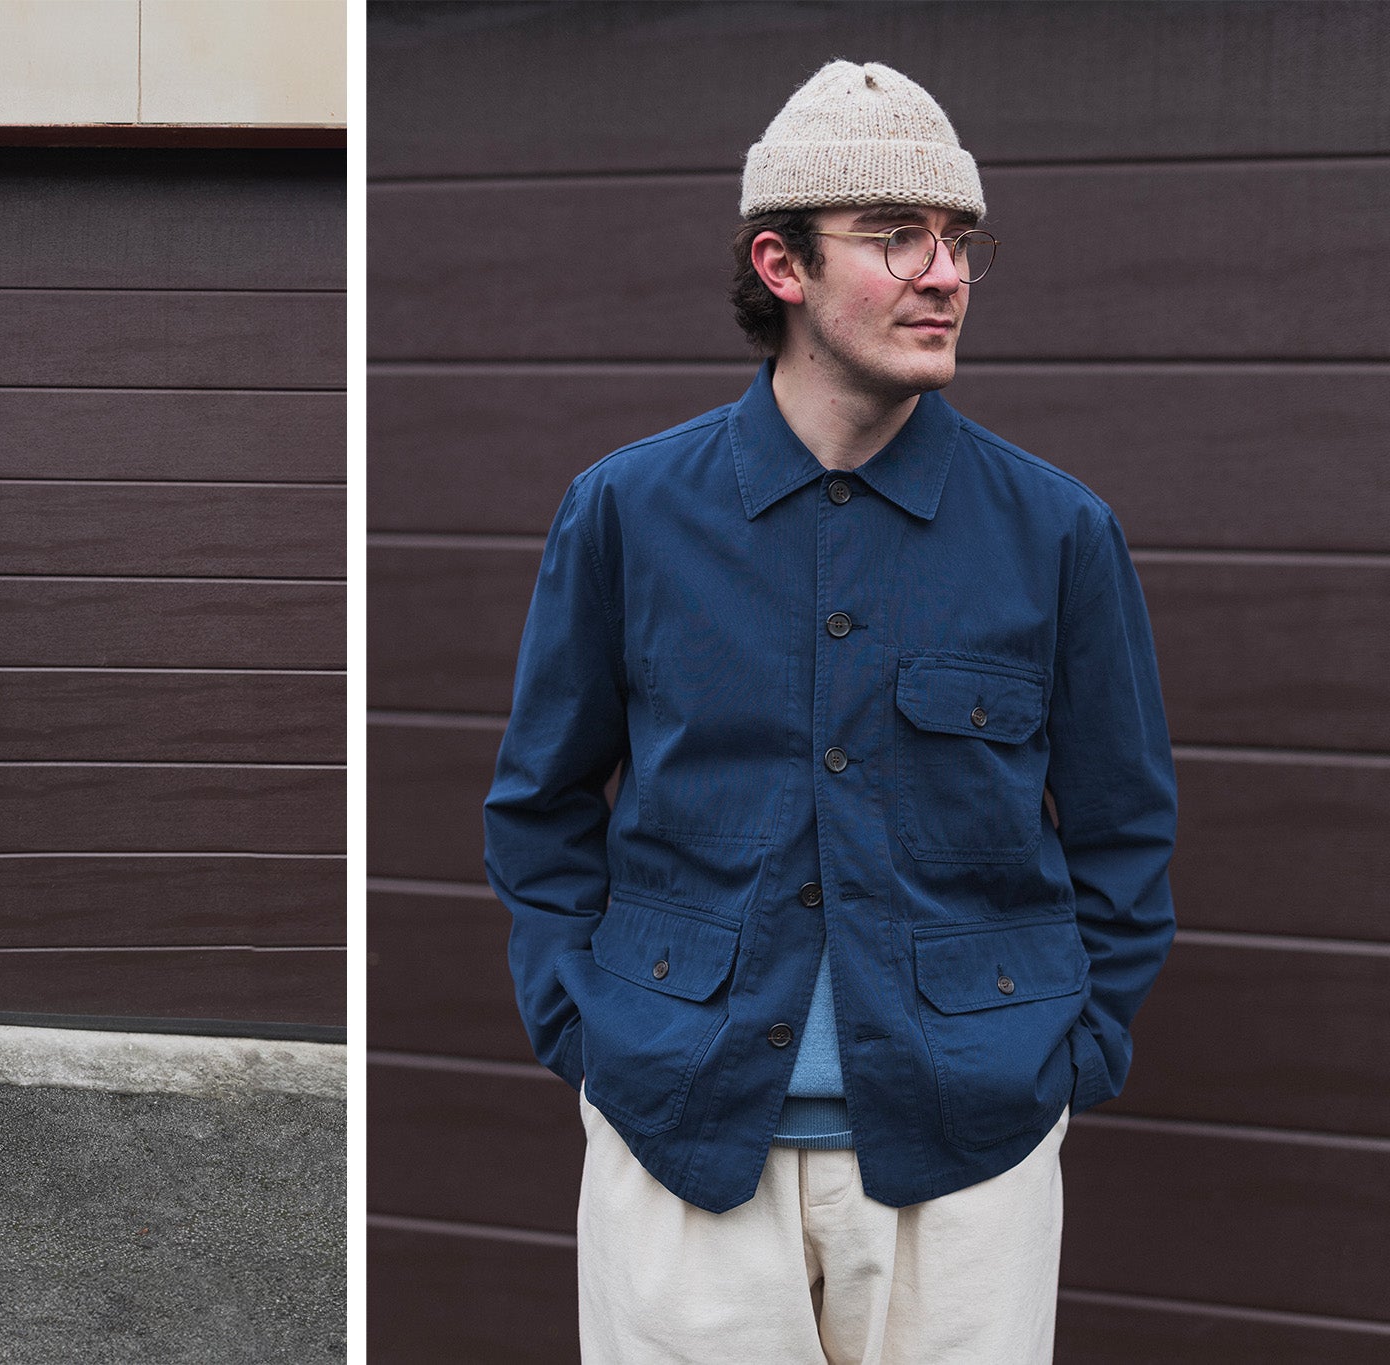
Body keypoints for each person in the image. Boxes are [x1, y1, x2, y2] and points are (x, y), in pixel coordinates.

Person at [483, 61, 1175, 1362]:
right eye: (897, 237)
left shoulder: (1059, 533)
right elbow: (540, 806)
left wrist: (1071, 1049)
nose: (946, 273)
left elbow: (1125, 827)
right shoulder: (630, 514)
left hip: (971, 1156)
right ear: (782, 264)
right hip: (680, 1136)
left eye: (961, 241)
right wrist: (589, 1028)